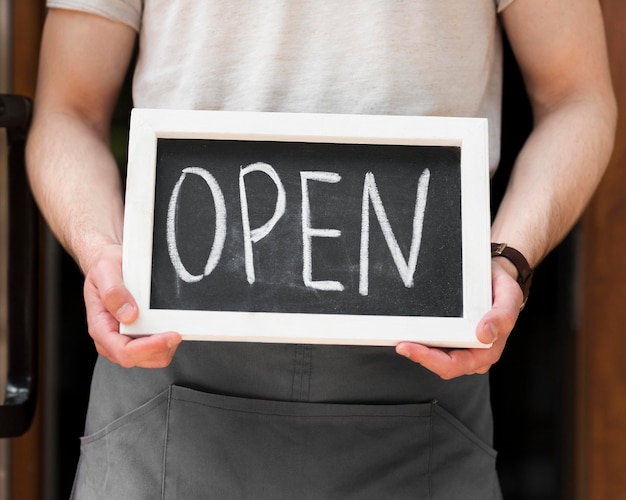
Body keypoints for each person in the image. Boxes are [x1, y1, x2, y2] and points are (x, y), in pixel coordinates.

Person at [26, 1, 616, 499]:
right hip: (169, 363)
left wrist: (505, 258)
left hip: (422, 368)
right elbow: (68, 110)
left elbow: (577, 98)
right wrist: (99, 248)